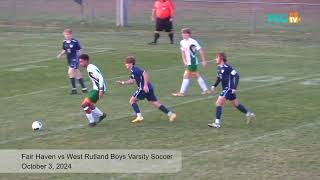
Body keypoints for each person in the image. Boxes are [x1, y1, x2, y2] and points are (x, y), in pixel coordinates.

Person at [116, 56, 177, 123]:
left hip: (143, 89)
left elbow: (145, 73)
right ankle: (171, 114)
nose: (125, 64)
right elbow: (132, 81)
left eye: (127, 63)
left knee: (132, 101)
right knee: (155, 103)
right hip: (149, 88)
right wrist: (123, 82)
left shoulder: (136, 70)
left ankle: (139, 117)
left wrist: (145, 85)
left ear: (131, 63)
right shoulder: (133, 71)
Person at [208, 52, 255, 128]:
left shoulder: (228, 68)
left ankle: (217, 123)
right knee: (236, 104)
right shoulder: (219, 68)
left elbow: (236, 76)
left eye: (217, 58)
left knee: (218, 103)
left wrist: (234, 88)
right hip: (227, 89)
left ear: (221, 58)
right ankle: (249, 114)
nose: (215, 59)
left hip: (229, 88)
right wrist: (214, 86)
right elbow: (219, 78)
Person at [172, 28, 211, 97]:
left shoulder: (193, 41)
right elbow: (182, 52)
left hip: (192, 62)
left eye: (184, 33)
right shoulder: (182, 42)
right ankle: (206, 90)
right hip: (189, 63)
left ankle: (182, 92)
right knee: (196, 75)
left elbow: (200, 51)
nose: (183, 35)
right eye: (182, 33)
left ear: (188, 34)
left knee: (186, 75)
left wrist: (204, 61)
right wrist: (184, 60)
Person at [79, 54, 107, 127]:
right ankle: (101, 115)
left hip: (98, 89)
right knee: (89, 104)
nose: (80, 63)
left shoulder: (91, 68)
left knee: (84, 104)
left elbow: (100, 78)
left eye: (81, 62)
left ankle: (92, 122)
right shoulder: (90, 67)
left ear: (86, 61)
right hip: (96, 88)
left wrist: (101, 90)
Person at [57, 29, 87, 95]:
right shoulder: (64, 42)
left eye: (68, 34)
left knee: (70, 72)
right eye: (65, 34)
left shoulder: (75, 42)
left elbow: (80, 49)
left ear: (71, 35)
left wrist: (80, 58)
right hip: (69, 59)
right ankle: (84, 88)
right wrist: (60, 54)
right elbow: (65, 50)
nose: (67, 36)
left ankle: (74, 89)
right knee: (77, 73)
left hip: (75, 59)